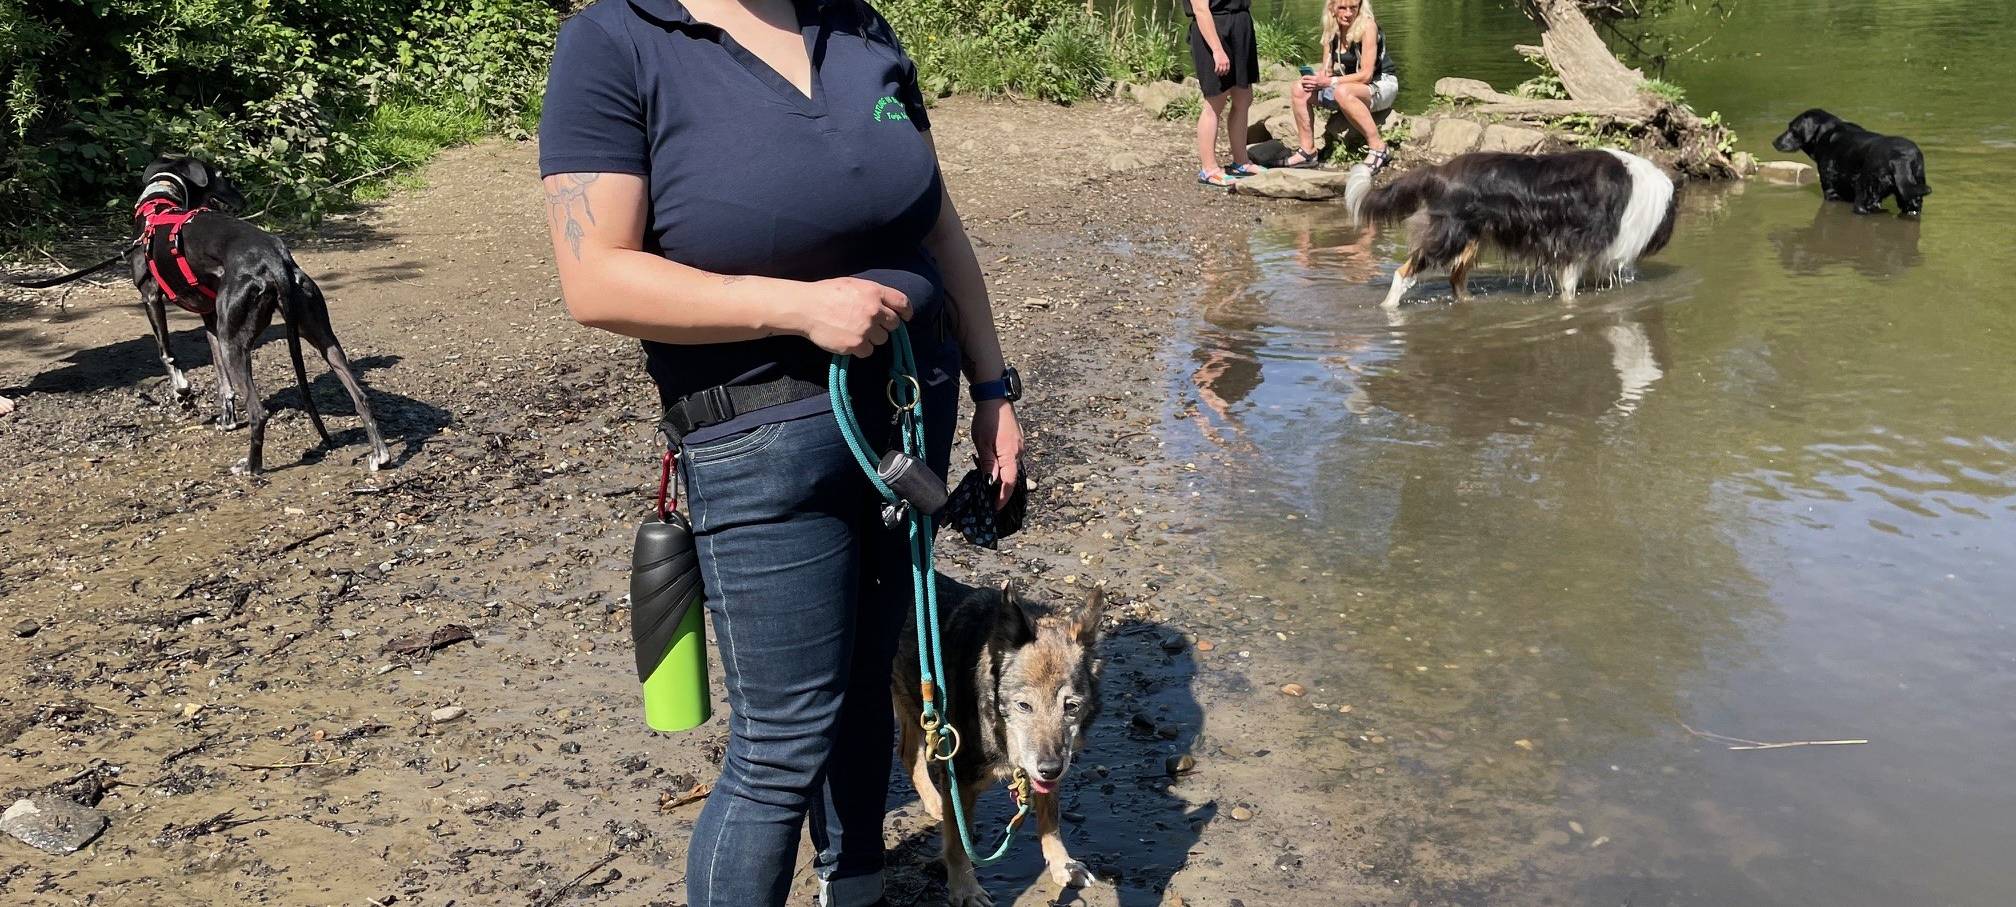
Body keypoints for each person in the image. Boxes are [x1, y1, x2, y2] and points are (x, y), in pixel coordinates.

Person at [537, 1, 1024, 905]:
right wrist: (796, 306)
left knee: (872, 672)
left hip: (907, 422)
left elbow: (938, 226)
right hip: (759, 440)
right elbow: (594, 276)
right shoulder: (618, 39)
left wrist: (995, 393)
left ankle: (858, 886)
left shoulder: (860, 28)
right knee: (780, 743)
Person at [1282, 0, 1398, 171]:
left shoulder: (1368, 26)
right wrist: (1315, 79)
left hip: (1381, 84)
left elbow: (1366, 75)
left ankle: (1379, 148)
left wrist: (1330, 82)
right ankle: (1308, 152)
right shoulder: (1331, 29)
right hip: (1349, 84)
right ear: (1332, 8)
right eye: (1342, 8)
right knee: (1299, 88)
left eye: (1353, 8)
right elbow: (1327, 71)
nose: (1348, 13)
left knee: (1342, 91)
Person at [1186, 0, 1265, 186]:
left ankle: (1241, 162)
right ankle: (1209, 169)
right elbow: (1200, 9)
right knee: (1215, 101)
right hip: (1215, 30)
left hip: (1240, 26)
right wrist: (1217, 50)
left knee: (1243, 96)